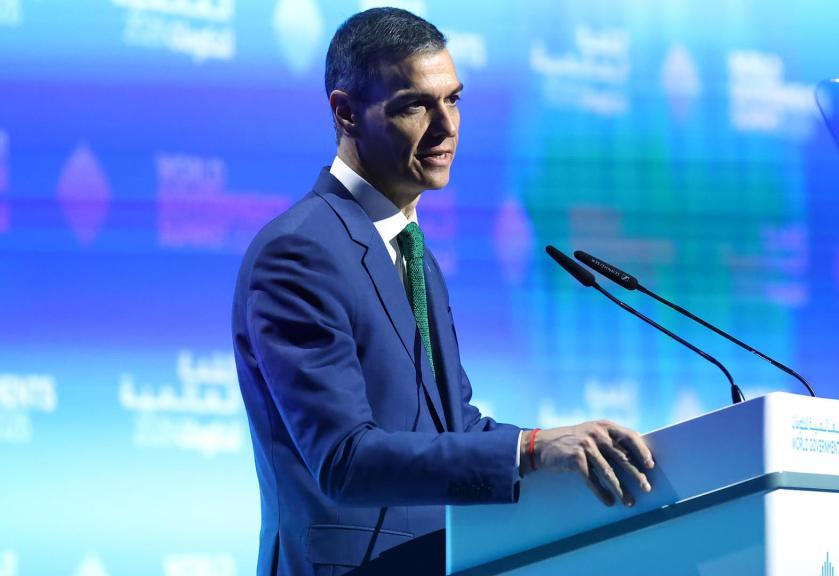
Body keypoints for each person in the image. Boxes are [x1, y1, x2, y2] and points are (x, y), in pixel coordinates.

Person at [232, 7, 655, 575]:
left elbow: (453, 427)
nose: (446, 126)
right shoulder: (300, 252)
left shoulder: (416, 255)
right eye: (415, 105)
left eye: (453, 100)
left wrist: (560, 446)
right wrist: (530, 451)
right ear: (346, 112)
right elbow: (343, 458)